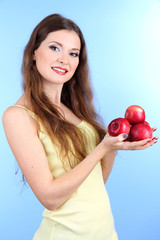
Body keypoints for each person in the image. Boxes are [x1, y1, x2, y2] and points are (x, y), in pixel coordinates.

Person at [2, 14, 157, 240]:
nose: (64, 60)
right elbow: (50, 198)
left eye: (73, 53)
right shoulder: (18, 116)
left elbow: (95, 181)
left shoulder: (74, 111)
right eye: (55, 48)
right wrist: (102, 149)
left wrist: (114, 145)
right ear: (34, 52)